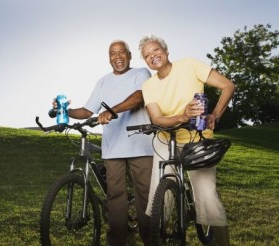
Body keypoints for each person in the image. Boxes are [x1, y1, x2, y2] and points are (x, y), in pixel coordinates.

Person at [51, 40, 154, 245]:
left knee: (145, 197)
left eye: (121, 53)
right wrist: (64, 111)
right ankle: (117, 241)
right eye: (113, 54)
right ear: (109, 58)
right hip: (112, 148)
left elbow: (138, 98)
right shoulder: (102, 82)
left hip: (140, 145)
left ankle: (152, 240)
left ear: (129, 55)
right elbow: (88, 111)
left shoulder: (141, 73)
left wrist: (111, 111)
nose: (118, 57)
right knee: (115, 197)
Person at [138, 34, 235, 246]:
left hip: (197, 140)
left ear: (166, 51)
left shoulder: (189, 65)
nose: (153, 56)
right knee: (160, 200)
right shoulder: (149, 85)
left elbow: (228, 86)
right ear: (145, 61)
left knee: (208, 199)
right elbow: (157, 119)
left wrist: (215, 116)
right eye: (147, 56)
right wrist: (183, 116)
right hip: (165, 140)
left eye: (156, 51)